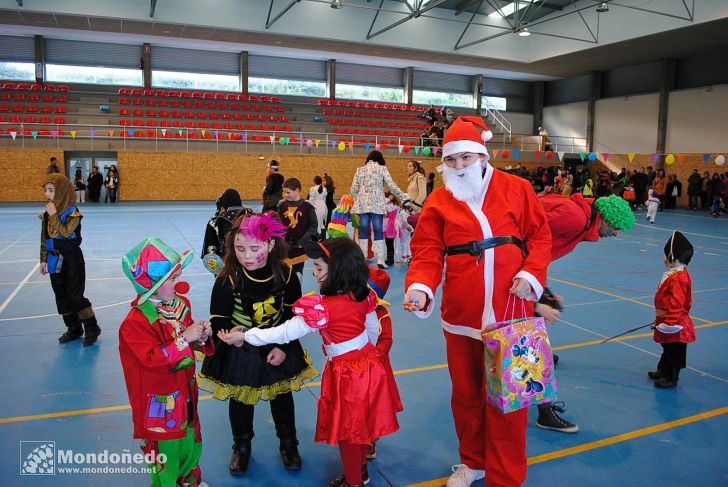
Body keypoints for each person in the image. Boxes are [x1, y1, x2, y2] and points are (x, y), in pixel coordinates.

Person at [403, 116, 552, 487]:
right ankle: (473, 461)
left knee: (509, 403)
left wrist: (531, 274)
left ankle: (506, 476)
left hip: (511, 314)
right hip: (460, 316)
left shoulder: (516, 189)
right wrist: (421, 288)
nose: (459, 167)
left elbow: (541, 238)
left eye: (466, 158)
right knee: (467, 397)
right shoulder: (439, 200)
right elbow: (426, 251)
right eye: (451, 160)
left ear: (483, 156)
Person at [217, 238, 402, 487]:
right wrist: (369, 356)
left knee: (349, 433)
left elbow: (284, 332)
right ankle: (360, 473)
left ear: (338, 271)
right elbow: (372, 331)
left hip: (348, 374)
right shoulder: (364, 296)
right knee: (361, 426)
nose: (315, 274)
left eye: (319, 268)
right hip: (369, 368)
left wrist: (246, 335)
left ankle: (354, 482)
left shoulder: (324, 309)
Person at [198, 212, 318, 475]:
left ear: (271, 245)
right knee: (241, 400)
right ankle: (241, 447)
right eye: (240, 248)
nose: (247, 255)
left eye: (255, 248)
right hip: (241, 347)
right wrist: (229, 336)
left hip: (277, 342)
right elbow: (219, 317)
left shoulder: (286, 275)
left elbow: (292, 316)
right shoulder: (228, 277)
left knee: (282, 396)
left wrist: (283, 347)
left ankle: (288, 444)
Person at [535, 193, 635, 432]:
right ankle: (544, 412)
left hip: (526, 269)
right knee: (534, 345)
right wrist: (535, 301)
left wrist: (542, 289)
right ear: (605, 219)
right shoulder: (575, 218)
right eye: (614, 228)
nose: (615, 234)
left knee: (537, 341)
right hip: (513, 269)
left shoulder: (581, 217)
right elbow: (525, 238)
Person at [119, 238, 214, 487]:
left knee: (191, 439)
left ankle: (190, 481)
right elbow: (153, 360)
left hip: (186, 391)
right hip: (159, 403)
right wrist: (185, 338)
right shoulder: (135, 322)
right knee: (165, 452)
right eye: (172, 279)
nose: (179, 284)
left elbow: (188, 345)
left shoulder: (180, 305)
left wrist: (201, 337)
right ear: (154, 285)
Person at [40, 173, 101, 345]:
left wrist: (53, 215)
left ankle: (91, 327)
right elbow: (44, 238)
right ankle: (73, 328)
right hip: (54, 261)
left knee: (75, 296)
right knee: (61, 297)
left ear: (62, 191)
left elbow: (66, 233)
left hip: (72, 260)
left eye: (51, 190)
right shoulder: (47, 213)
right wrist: (43, 259)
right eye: (46, 190)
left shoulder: (73, 213)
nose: (47, 194)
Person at [649, 231, 694, 388]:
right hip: (665, 318)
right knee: (667, 347)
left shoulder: (679, 278)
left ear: (672, 257)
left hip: (674, 322)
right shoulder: (673, 273)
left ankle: (670, 377)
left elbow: (677, 302)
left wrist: (669, 321)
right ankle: (662, 370)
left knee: (674, 351)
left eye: (665, 255)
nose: (663, 258)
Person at [350, 150, 410, 270]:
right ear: (380, 159)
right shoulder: (382, 169)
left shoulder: (359, 170)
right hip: (377, 204)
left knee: (364, 231)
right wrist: (403, 196)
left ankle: (363, 259)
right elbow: (391, 185)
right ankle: (381, 260)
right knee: (378, 230)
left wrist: (359, 199)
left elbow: (353, 189)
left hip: (362, 205)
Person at [364, 266, 394, 461]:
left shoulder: (381, 314)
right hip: (353, 364)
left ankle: (370, 440)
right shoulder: (353, 306)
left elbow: (386, 340)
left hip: (374, 368)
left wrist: (373, 356)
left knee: (372, 405)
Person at [201, 189, 250, 274]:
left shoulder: (215, 221)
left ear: (222, 206)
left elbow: (210, 251)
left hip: (226, 266)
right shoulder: (252, 217)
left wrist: (218, 272)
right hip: (248, 263)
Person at [278, 178, 318, 275]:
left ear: (297, 190)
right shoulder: (281, 206)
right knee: (283, 272)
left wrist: (303, 241)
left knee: (297, 273)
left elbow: (313, 226)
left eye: (288, 192)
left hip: (300, 247)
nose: (285, 195)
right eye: (284, 192)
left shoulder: (307, 207)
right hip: (284, 246)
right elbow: (277, 223)